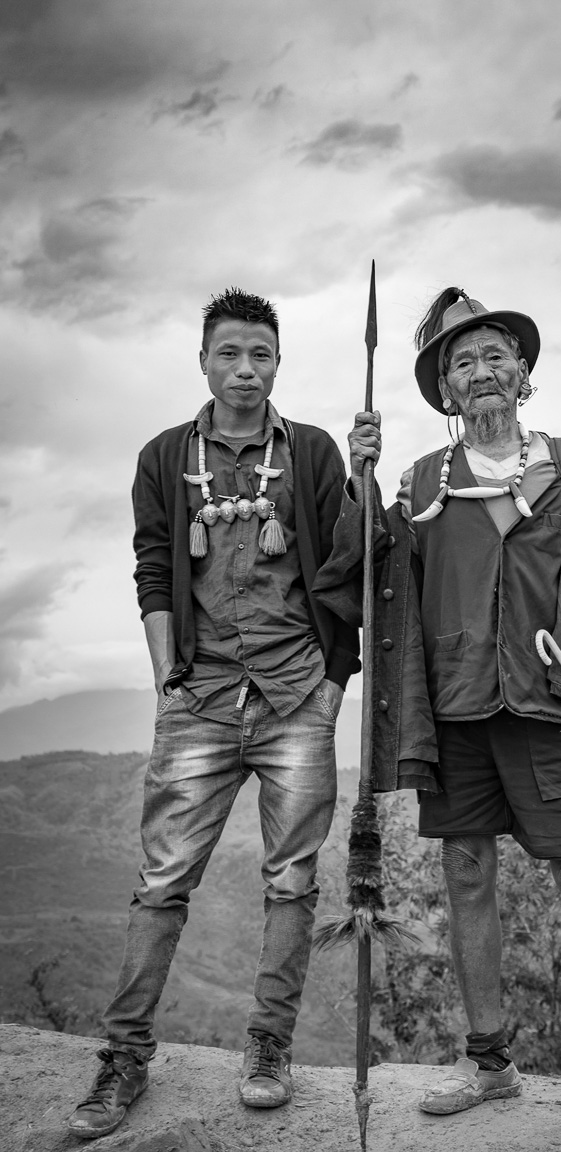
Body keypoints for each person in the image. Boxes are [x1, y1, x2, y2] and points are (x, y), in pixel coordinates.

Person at [346, 288, 561, 1135]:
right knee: (465, 874)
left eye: (496, 355)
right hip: (454, 711)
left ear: (523, 373)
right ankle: (489, 1061)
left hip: (551, 706)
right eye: (462, 362)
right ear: (444, 390)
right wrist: (360, 479)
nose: (481, 370)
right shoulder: (420, 484)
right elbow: (370, 577)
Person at [68, 288, 360, 1139]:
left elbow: (350, 567)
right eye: (229, 353)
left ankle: (268, 1049)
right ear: (203, 361)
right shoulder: (166, 457)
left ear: (279, 363)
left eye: (260, 354)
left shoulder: (310, 452)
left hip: (296, 694)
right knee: (162, 882)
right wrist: (166, 676)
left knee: (292, 881)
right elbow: (154, 567)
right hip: (198, 697)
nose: (244, 369)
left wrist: (334, 684)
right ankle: (125, 1056)